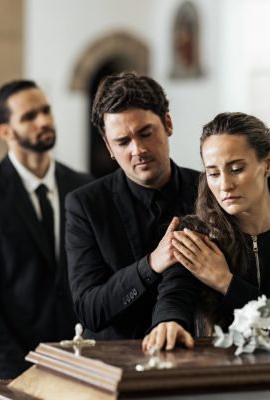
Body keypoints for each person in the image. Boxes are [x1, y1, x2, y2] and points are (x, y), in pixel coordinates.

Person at [142, 112, 270, 352]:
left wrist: (225, 281)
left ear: (268, 163)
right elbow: (173, 295)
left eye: (236, 168)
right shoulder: (195, 232)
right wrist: (167, 322)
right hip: (216, 375)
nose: (225, 185)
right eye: (213, 173)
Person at [0, 79, 92, 380]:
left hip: (76, 364)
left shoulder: (83, 187)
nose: (43, 121)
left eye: (46, 111)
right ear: (5, 131)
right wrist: (22, 372)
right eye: (29, 117)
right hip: (5, 372)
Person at [65, 72, 201, 341]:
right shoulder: (84, 205)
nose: (137, 149)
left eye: (145, 133)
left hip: (197, 352)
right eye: (122, 142)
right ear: (108, 147)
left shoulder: (207, 190)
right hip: (116, 363)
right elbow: (89, 310)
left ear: (168, 124)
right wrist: (151, 264)